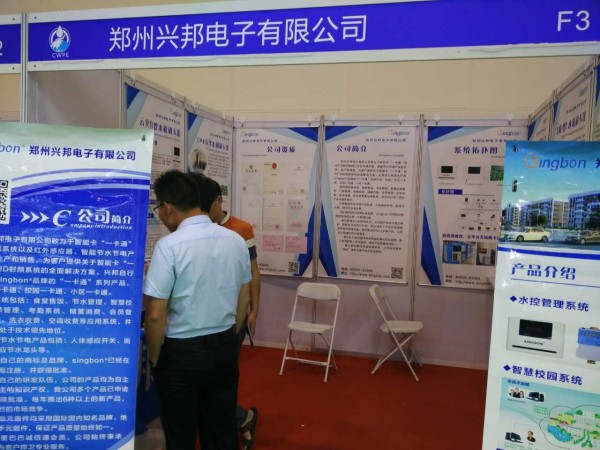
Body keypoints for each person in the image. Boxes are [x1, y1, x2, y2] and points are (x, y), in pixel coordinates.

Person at [143, 170, 251, 450]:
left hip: (181, 352)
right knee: (221, 429)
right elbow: (244, 298)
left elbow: (154, 314)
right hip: (224, 346)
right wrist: (229, 337)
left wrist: (155, 359)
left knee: (180, 433)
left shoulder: (169, 246)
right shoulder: (235, 240)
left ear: (167, 207)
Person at [189, 173, 261, 450]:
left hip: (233, 315)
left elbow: (253, 272)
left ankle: (236, 421)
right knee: (206, 380)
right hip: (202, 315)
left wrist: (254, 310)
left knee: (219, 378)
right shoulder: (191, 230)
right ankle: (241, 419)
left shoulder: (241, 229)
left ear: (219, 201)